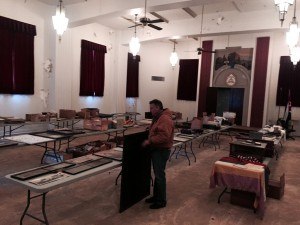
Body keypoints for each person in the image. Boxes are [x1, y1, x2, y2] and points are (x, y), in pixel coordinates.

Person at [142, 99, 174, 209]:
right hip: (158, 150)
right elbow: (158, 130)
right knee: (158, 175)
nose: (150, 110)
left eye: (152, 108)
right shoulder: (159, 117)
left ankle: (161, 201)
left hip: (161, 150)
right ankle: (156, 197)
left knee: (160, 176)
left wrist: (150, 141)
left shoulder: (164, 118)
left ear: (158, 107)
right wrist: (150, 130)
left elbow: (164, 136)